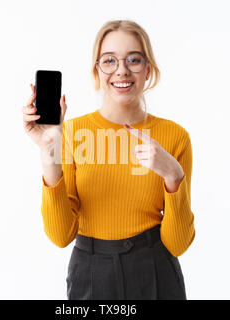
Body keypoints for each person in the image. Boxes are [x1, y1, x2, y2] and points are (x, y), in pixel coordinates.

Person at [23, 19, 195, 300]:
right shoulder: (72, 133)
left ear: (148, 70)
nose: (122, 71)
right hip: (91, 272)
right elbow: (60, 236)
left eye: (134, 60)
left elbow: (177, 244)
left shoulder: (175, 137)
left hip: (155, 271)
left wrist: (173, 175)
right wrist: (48, 151)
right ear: (97, 70)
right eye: (109, 61)